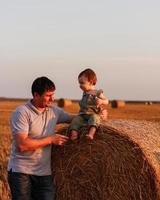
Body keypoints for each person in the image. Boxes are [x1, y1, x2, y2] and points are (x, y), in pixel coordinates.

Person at [7, 76, 73, 200]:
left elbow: (75, 119)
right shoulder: (22, 112)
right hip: (21, 173)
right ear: (36, 95)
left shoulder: (54, 111)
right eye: (48, 95)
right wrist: (51, 140)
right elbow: (22, 145)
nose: (52, 99)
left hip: (44, 174)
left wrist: (95, 116)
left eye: (53, 95)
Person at [69, 68, 109, 141]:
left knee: (94, 119)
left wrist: (101, 101)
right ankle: (74, 134)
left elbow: (107, 101)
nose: (80, 85)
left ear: (90, 82)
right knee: (75, 120)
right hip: (82, 114)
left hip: (92, 114)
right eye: (79, 83)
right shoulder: (85, 92)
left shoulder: (97, 92)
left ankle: (91, 134)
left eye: (82, 83)